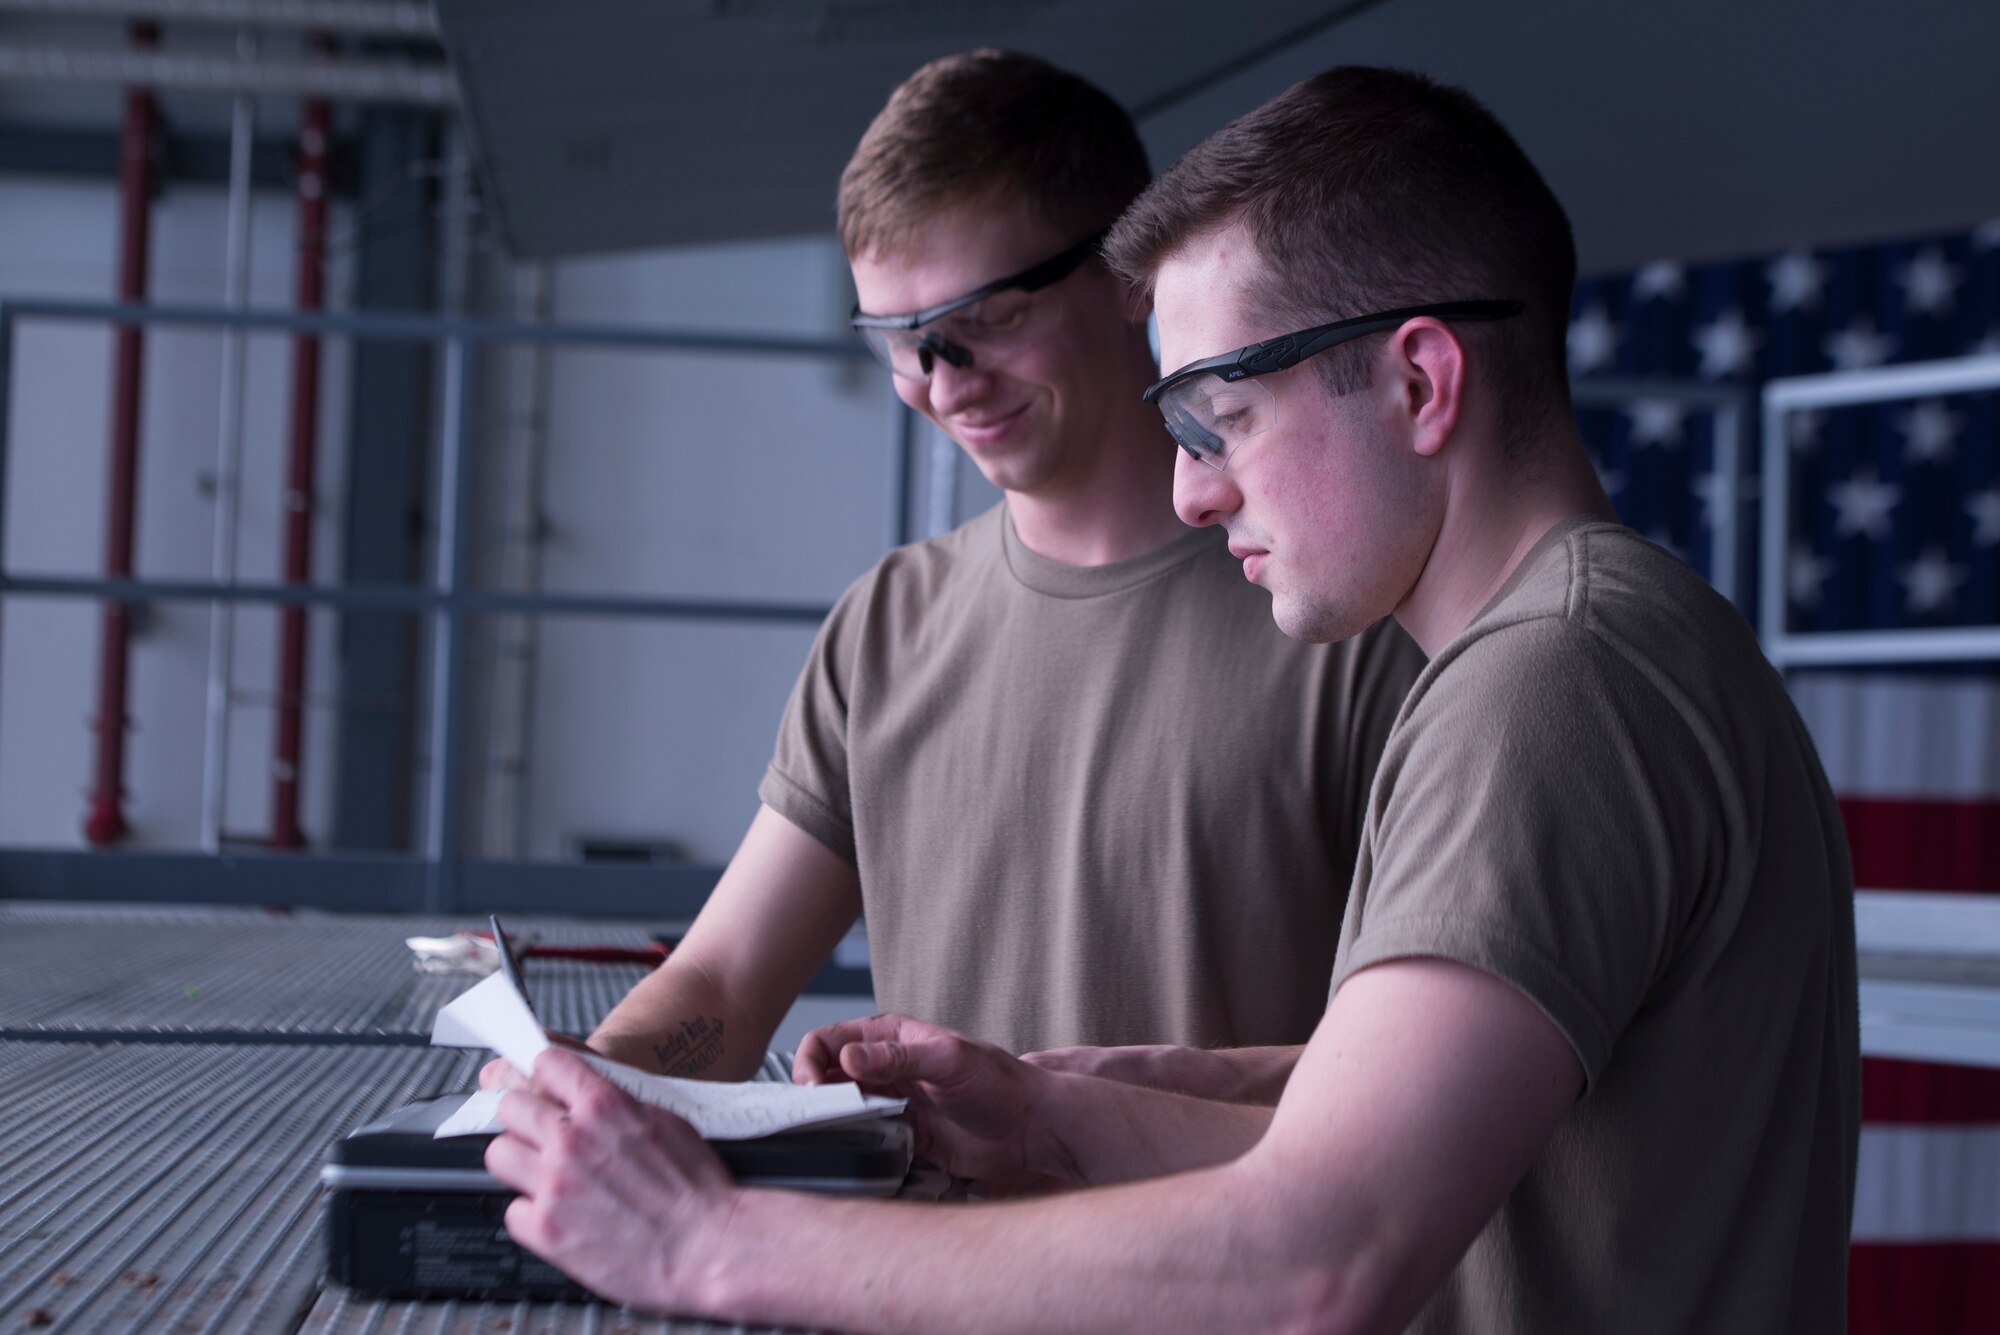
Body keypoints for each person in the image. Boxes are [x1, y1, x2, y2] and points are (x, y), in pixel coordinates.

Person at [483, 66, 1859, 1333]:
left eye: (1223, 415)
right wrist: (1051, 1111)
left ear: (1421, 381)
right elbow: (1390, 1117)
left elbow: (1315, 1251)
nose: (1195, 486)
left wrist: (707, 1240)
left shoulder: (1551, 688)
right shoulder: (1585, 649)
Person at [484, 49, 1418, 1101]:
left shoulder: (1339, 610)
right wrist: (589, 1085)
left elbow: (1417, 1079)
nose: (944, 384)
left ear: (1128, 275)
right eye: (901, 339)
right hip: (916, 1267)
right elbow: (722, 979)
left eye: (988, 318)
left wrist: (1066, 1112)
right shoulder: (885, 629)